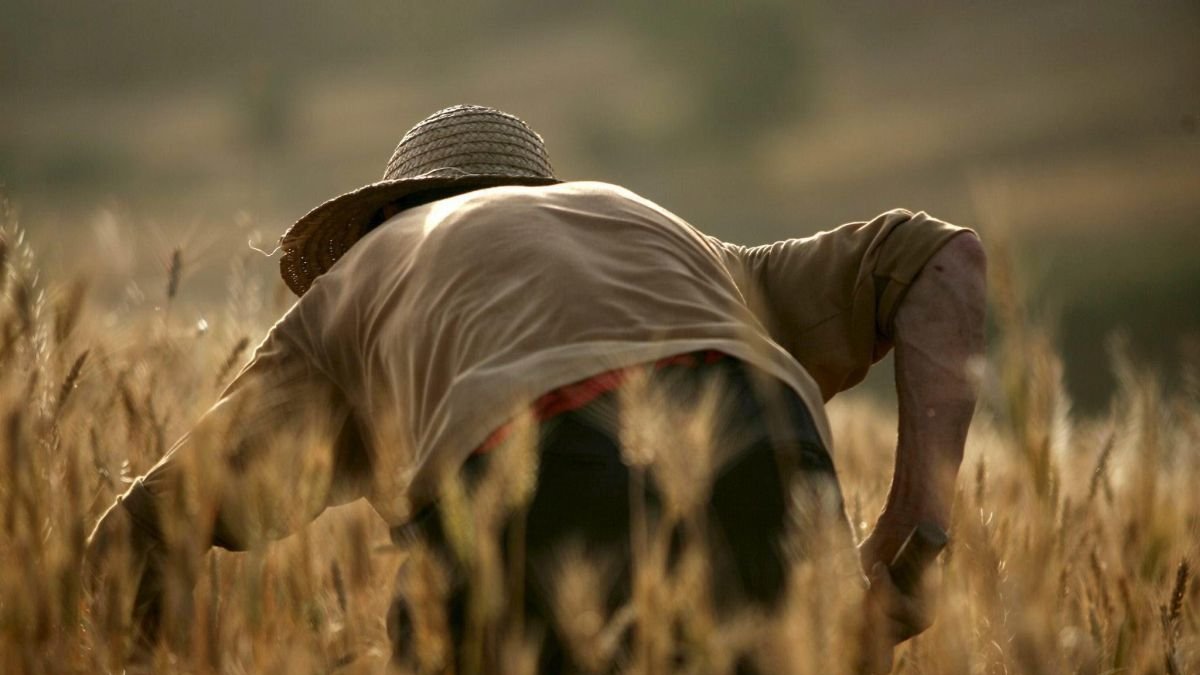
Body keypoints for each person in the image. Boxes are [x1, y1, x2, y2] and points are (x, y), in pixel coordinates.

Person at [85, 104, 986, 673]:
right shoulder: (668, 235)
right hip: (768, 460)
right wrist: (917, 536)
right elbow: (945, 257)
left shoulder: (359, 284)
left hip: (528, 487)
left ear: (387, 218)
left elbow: (141, 527)